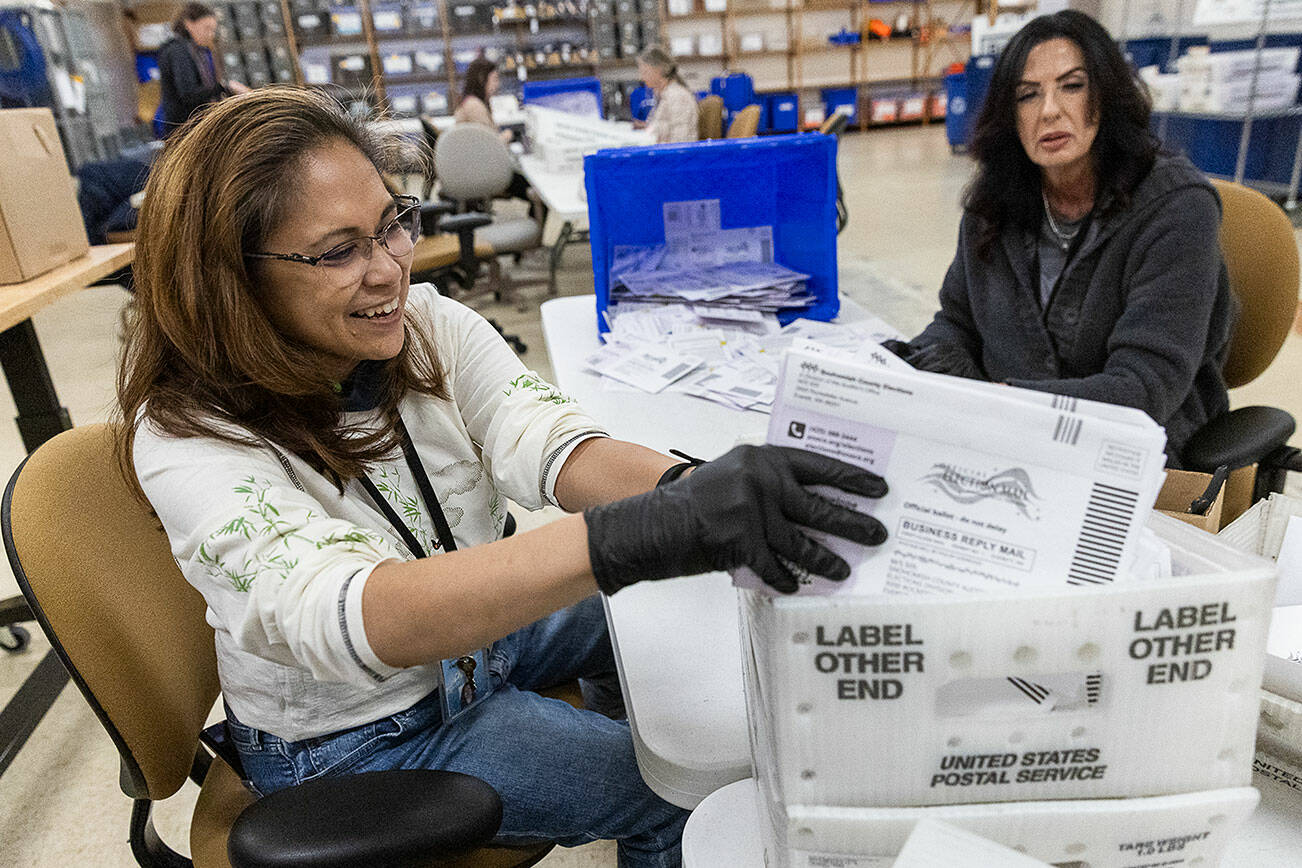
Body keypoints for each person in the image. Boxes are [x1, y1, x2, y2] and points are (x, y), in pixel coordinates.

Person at [117, 86, 889, 866]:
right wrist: (639, 535)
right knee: (684, 799)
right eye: (340, 251)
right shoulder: (190, 436)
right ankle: (635, 798)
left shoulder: (425, 325)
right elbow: (359, 617)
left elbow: (546, 439)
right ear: (231, 277)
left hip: (470, 654)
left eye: (393, 224)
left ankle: (603, 733)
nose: (389, 270)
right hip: (357, 734)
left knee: (657, 603)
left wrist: (690, 489)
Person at [889, 10, 1234, 465]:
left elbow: (1146, 387)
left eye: (1072, 86)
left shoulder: (1175, 207)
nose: (1050, 110)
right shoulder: (993, 202)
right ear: (1009, 117)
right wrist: (907, 368)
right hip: (1010, 435)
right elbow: (959, 323)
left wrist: (1003, 401)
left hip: (1136, 453)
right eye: (1028, 96)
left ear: (1107, 95)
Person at [452, 55, 534, 208]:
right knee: (532, 188)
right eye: (495, 79)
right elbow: (490, 146)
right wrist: (508, 136)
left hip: (478, 167)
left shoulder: (472, 102)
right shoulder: (474, 106)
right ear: (482, 79)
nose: (497, 85)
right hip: (482, 171)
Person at [156, 2, 249, 136]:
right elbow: (189, 93)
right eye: (207, 28)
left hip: (195, 126)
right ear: (189, 24)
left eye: (213, 30)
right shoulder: (177, 51)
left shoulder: (199, 51)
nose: (210, 34)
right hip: (183, 130)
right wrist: (225, 87)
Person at [635, 47, 699, 144]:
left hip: (673, 156)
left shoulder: (678, 97)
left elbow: (680, 141)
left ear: (659, 70)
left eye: (645, 72)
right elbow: (665, 126)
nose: (641, 78)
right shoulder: (662, 94)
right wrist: (647, 127)